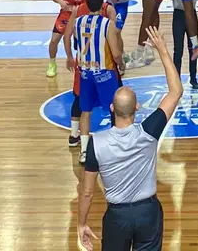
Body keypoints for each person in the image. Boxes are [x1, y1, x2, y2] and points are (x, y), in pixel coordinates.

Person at [78, 26, 183, 251]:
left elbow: (87, 191)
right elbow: (175, 92)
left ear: (111, 108)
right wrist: (163, 50)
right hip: (148, 213)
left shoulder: (96, 143)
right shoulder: (149, 131)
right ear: (137, 107)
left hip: (117, 216)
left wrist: (82, 223)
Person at [65, 0, 123, 164]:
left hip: (84, 72)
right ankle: (116, 147)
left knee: (86, 111)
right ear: (103, 4)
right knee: (115, 109)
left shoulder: (78, 22)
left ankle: (83, 151)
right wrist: (121, 63)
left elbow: (75, 40)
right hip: (104, 72)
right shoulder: (108, 24)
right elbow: (115, 52)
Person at [47, 0, 88, 77]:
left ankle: (84, 64)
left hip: (82, 12)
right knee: (54, 40)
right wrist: (60, 1)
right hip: (67, 12)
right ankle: (52, 64)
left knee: (84, 42)